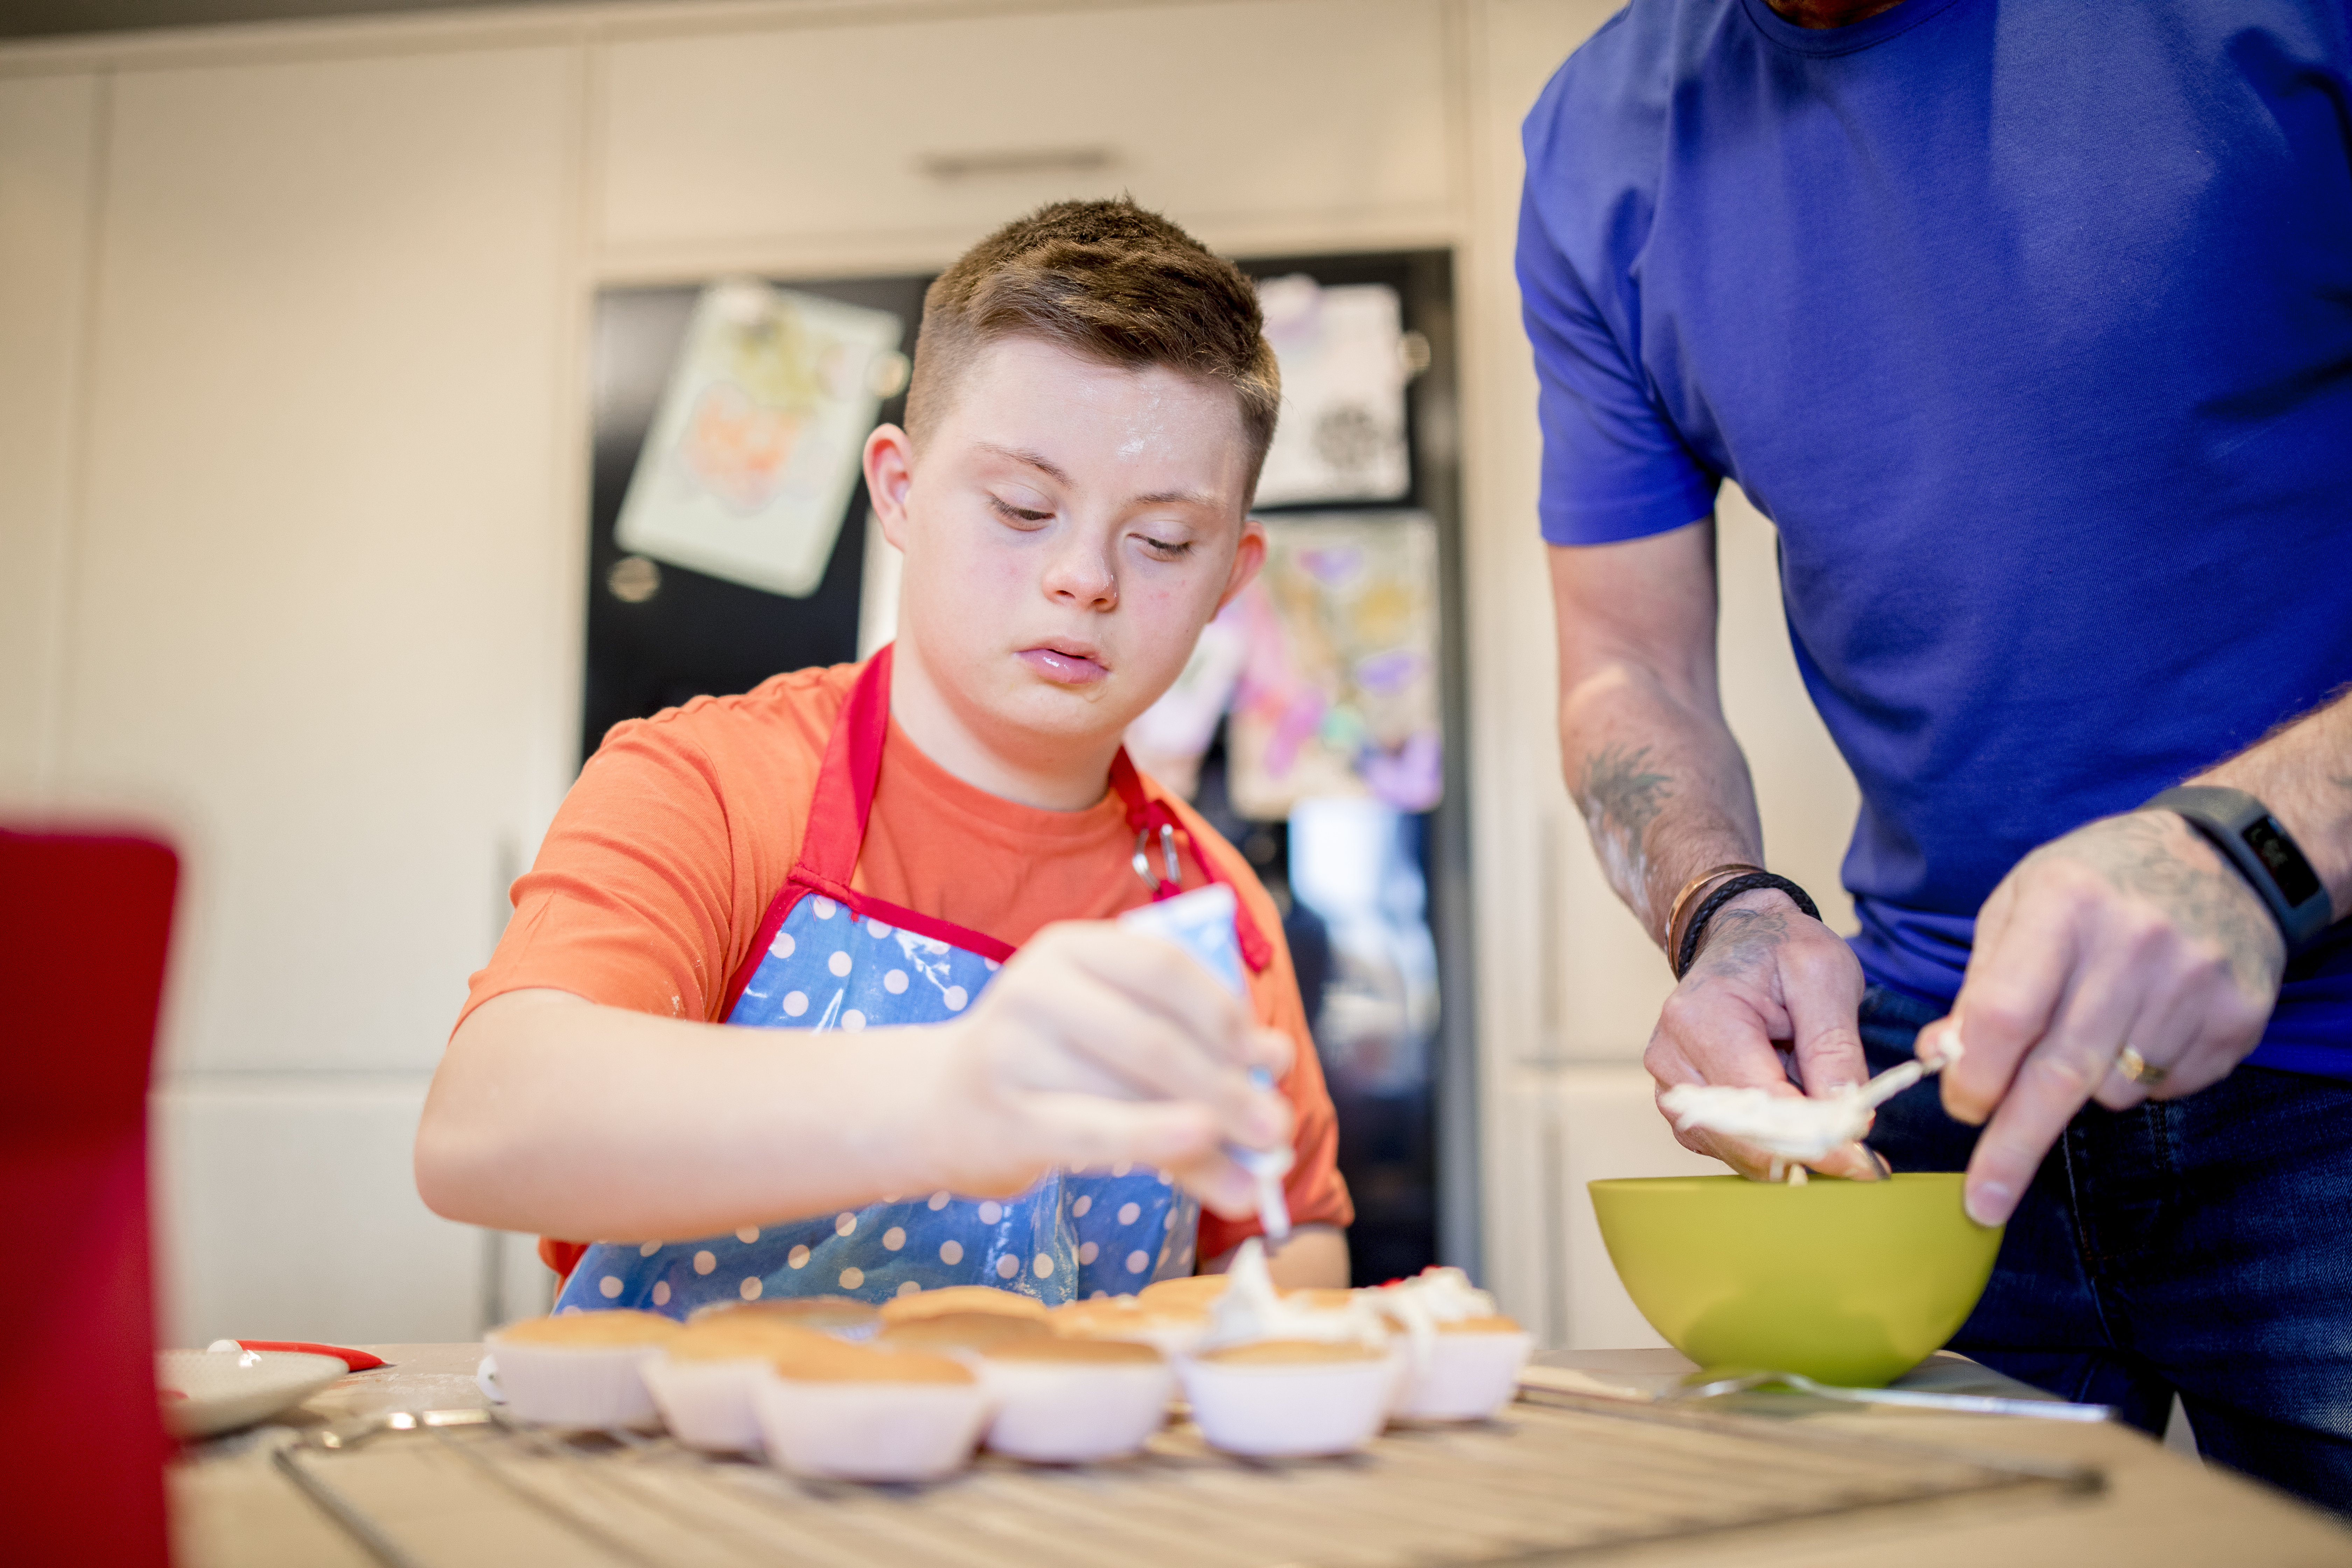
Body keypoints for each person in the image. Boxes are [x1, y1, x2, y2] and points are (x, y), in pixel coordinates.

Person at [1520, 0, 2352, 1508]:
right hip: (1931, 1103)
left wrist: (2257, 848)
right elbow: (1626, 667)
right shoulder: (1598, 141)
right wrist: (1725, 911)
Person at [415, 199, 1353, 1314]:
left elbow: (1297, 1251)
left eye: (1161, 541)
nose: (1085, 578)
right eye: (1022, 507)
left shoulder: (1213, 910)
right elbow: (486, 1129)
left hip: (1077, 1491)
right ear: (899, 492)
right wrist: (950, 1096)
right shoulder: (710, 785)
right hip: (682, 1483)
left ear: (1229, 582)